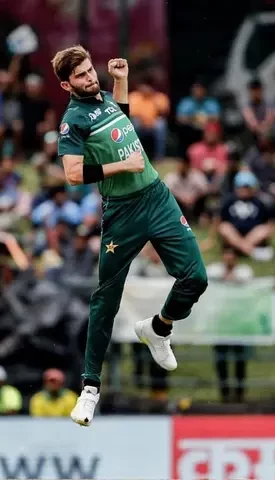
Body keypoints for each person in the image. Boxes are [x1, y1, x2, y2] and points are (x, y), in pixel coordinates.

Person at [52, 45, 208, 426]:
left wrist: (120, 82)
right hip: (122, 212)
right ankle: (90, 389)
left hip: (157, 197)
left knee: (196, 278)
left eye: (91, 71)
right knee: (105, 299)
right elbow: (72, 174)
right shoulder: (72, 121)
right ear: (65, 84)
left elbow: (119, 121)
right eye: (82, 76)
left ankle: (157, 329)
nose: (90, 78)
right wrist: (123, 164)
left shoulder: (104, 97)